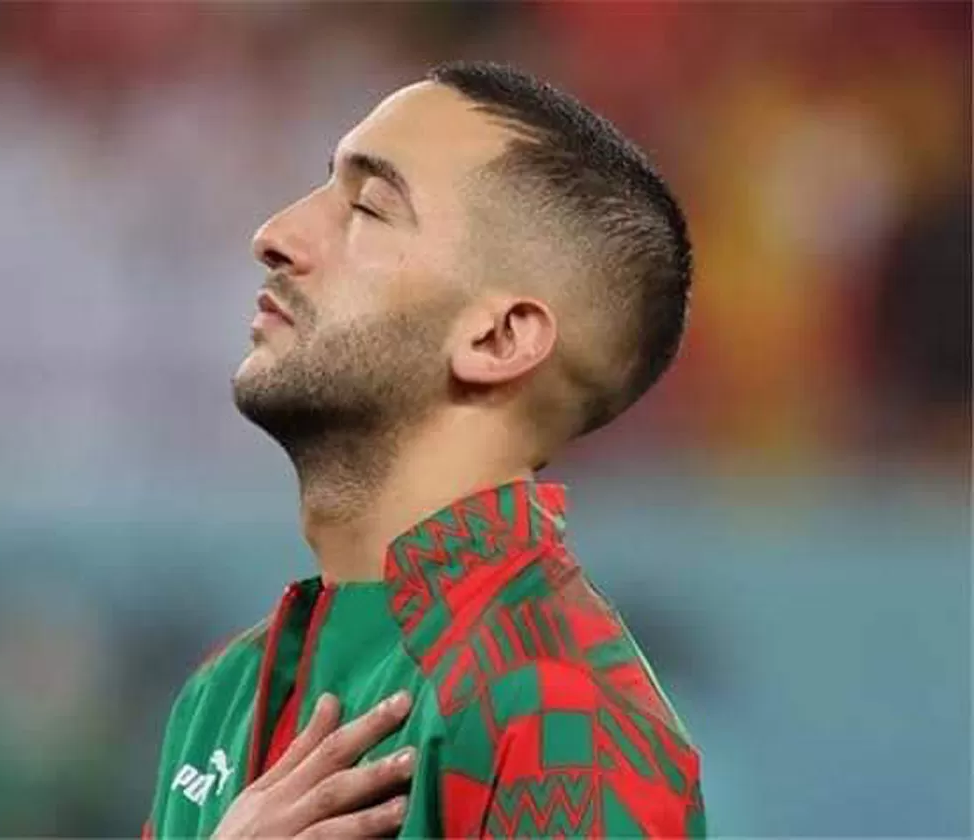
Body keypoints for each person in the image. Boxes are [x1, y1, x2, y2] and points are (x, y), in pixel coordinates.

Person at [145, 61, 705, 838]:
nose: (273, 235)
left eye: (368, 208)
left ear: (497, 338)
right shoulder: (221, 694)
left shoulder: (564, 716)